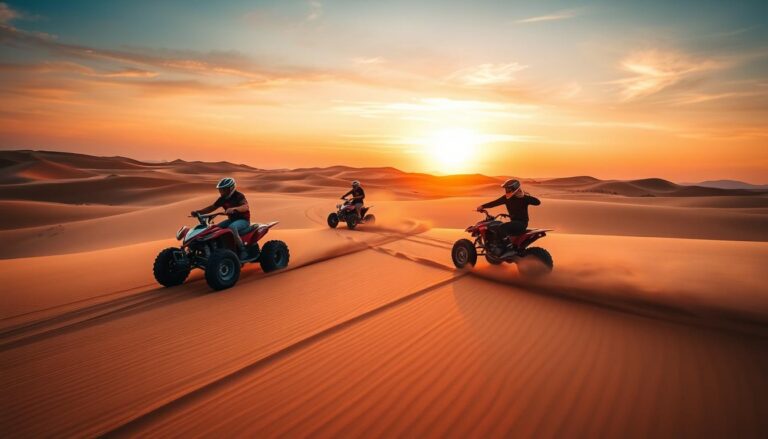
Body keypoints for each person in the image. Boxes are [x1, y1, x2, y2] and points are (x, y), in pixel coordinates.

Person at [190, 177, 251, 259]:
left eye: (224, 189)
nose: (222, 192)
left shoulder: (238, 196)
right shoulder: (222, 199)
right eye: (221, 190)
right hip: (231, 220)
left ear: (231, 188)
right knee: (215, 229)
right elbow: (212, 207)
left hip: (243, 220)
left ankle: (243, 250)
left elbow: (245, 207)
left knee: (232, 228)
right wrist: (198, 212)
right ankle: (218, 248)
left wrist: (234, 209)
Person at [477, 179, 540, 254]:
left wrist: (525, 196)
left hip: (521, 223)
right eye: (506, 189)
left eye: (508, 188)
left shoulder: (523, 198)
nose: (506, 190)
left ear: (515, 188)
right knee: (497, 228)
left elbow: (537, 202)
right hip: (513, 223)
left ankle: (508, 249)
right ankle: (498, 248)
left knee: (501, 227)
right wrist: (483, 206)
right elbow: (495, 203)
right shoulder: (506, 198)